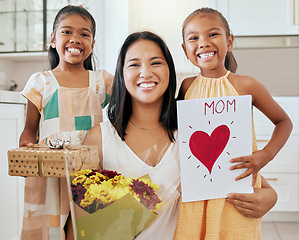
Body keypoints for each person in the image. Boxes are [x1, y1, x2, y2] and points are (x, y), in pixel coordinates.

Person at [83, 31, 278, 240]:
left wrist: (270, 197)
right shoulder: (99, 140)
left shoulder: (193, 133)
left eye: (156, 63)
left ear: (169, 70)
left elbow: (244, 177)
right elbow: (83, 227)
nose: (146, 72)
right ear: (121, 74)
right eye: (134, 65)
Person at [174, 7, 293, 239]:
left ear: (229, 41)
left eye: (213, 34)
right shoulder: (186, 87)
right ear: (185, 49)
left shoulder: (246, 85)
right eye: (194, 38)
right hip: (197, 193)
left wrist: (265, 155)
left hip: (235, 193)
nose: (204, 42)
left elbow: (283, 122)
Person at [18, 5, 113, 239]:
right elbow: (29, 130)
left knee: (86, 230)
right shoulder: (40, 82)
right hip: (50, 175)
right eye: (67, 32)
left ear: (92, 44)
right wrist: (25, 154)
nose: (76, 39)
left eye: (85, 34)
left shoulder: (102, 81)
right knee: (48, 231)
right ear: (52, 39)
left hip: (90, 171)